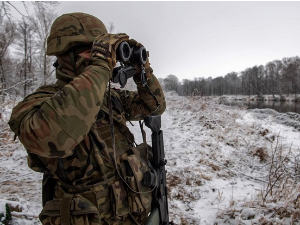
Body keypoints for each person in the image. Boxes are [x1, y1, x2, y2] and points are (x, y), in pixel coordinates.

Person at [8, 12, 166, 225]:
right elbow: (55, 135)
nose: (107, 61)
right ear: (66, 55)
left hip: (134, 215)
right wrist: (100, 66)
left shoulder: (108, 98)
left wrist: (142, 70)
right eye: (93, 52)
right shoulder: (37, 104)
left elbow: (155, 106)